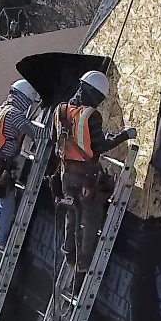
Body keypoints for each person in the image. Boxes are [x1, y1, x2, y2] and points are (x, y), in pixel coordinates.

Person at [53, 70, 137, 270]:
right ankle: (84, 261)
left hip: (66, 172)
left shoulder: (61, 110)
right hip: (86, 177)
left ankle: (69, 253)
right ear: (94, 94)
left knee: (71, 213)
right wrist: (124, 135)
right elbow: (99, 147)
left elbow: (55, 138)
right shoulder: (91, 115)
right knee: (90, 219)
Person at [0, 79, 40, 248]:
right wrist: (52, 133)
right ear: (24, 97)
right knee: (6, 204)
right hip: (4, 164)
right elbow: (33, 131)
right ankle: (2, 241)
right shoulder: (14, 114)